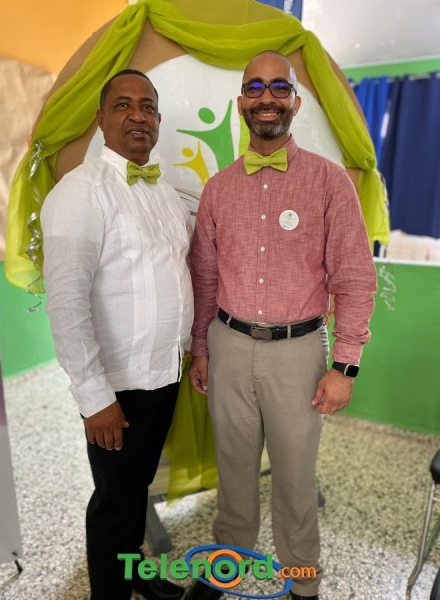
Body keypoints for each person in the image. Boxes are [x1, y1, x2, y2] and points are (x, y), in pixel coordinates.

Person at [187, 51, 377, 600]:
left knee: (295, 481)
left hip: (298, 353)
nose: (266, 97)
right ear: (241, 102)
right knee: (233, 473)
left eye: (278, 87)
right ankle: (225, 567)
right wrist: (201, 348)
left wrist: (345, 365)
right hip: (227, 346)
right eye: (255, 87)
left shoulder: (329, 181)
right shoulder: (218, 188)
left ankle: (301, 581)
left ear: (294, 102)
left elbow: (354, 278)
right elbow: (204, 277)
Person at [40, 69, 192, 600]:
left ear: (158, 120)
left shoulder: (166, 194)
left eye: (147, 106)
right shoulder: (79, 193)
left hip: (164, 374)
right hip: (117, 388)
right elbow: (66, 302)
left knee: (135, 491)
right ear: (102, 118)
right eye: (123, 105)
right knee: (114, 503)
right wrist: (94, 396)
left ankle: (135, 576)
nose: (137, 115)